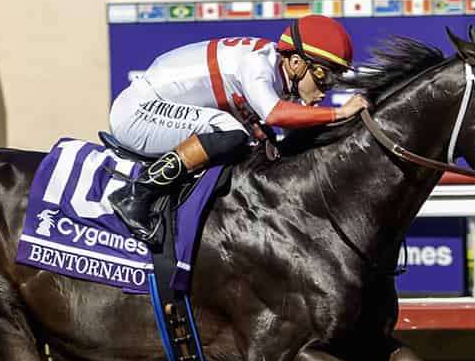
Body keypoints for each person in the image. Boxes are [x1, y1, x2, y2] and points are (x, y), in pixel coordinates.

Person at [108, 14, 368, 243]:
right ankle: (135, 194)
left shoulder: (276, 69)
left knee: (245, 141)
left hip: (158, 105)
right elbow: (275, 114)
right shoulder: (258, 65)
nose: (326, 89)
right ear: (297, 63)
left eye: (334, 80)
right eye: (323, 76)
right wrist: (340, 112)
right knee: (231, 134)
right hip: (137, 112)